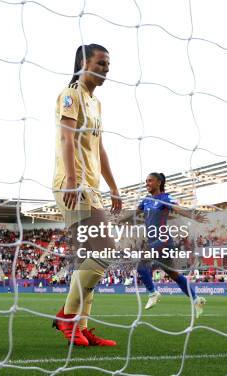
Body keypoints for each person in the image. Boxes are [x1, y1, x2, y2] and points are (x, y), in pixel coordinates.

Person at [51, 44, 121, 347]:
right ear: (84, 63)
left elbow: (100, 148)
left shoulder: (96, 103)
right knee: (105, 251)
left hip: (92, 188)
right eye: (101, 63)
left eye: (108, 64)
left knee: (89, 260)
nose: (106, 69)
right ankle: (68, 316)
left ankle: (80, 325)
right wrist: (71, 178)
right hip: (73, 186)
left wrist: (114, 187)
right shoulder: (71, 94)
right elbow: (67, 137)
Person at [135, 173, 207, 318]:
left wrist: (192, 215)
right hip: (153, 241)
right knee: (173, 274)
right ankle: (196, 299)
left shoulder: (165, 198)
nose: (147, 183)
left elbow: (177, 208)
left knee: (141, 265)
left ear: (159, 182)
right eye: (146, 181)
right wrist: (115, 219)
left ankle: (153, 293)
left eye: (150, 181)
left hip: (162, 241)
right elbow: (134, 213)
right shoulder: (146, 200)